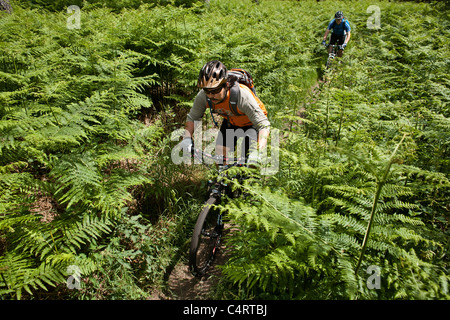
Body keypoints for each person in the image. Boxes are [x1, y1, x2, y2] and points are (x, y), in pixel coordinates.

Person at [180, 60, 270, 166]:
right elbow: (192, 118)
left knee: (251, 164)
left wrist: (258, 152)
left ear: (226, 85)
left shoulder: (242, 96)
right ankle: (223, 179)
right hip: (231, 122)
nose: (210, 95)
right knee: (220, 157)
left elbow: (263, 125)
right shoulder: (203, 96)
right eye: (207, 91)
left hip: (252, 124)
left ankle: (251, 180)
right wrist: (187, 138)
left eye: (214, 91)